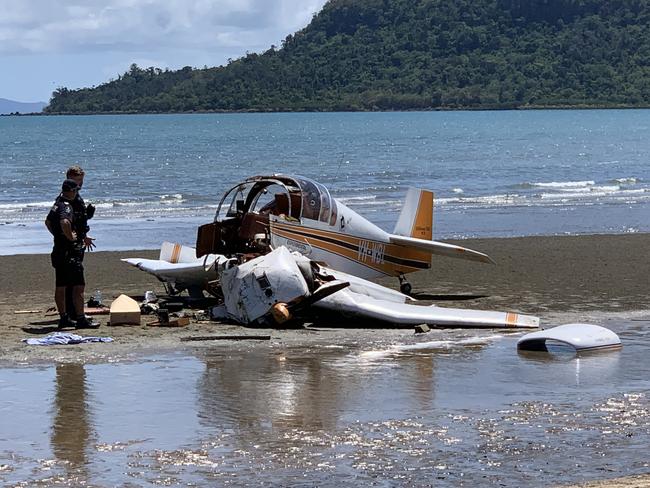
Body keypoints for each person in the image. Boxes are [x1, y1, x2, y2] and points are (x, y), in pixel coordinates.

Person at [45, 179, 95, 329]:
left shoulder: (57, 204)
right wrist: (70, 237)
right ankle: (80, 318)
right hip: (69, 252)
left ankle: (64, 317)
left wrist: (58, 235)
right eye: (76, 190)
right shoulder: (66, 206)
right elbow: (65, 222)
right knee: (78, 286)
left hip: (58, 250)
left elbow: (47, 222)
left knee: (61, 286)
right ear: (72, 191)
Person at [64, 166, 96, 319]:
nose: (80, 184)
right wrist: (72, 238)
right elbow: (64, 222)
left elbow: (78, 222)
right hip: (70, 246)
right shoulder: (68, 198)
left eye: (81, 181)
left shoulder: (76, 196)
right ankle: (74, 313)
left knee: (74, 281)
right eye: (76, 181)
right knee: (74, 282)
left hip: (77, 242)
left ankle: (73, 311)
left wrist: (84, 235)